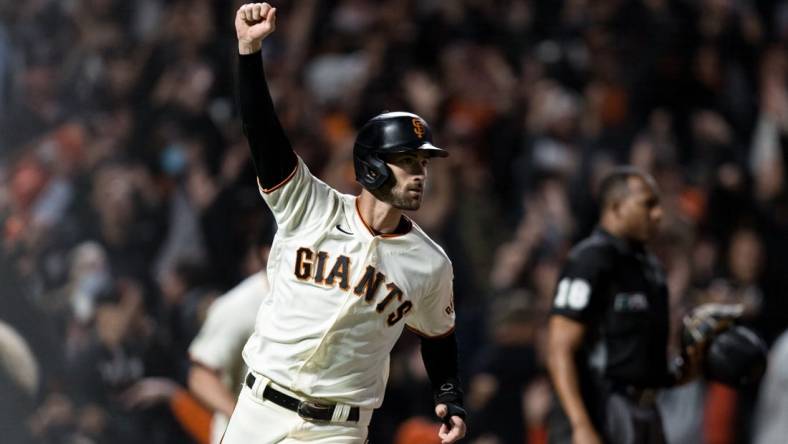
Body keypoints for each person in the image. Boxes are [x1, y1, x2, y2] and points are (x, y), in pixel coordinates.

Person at [222, 3, 466, 443]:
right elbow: (262, 133)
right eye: (407, 162)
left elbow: (439, 336)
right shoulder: (309, 206)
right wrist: (249, 51)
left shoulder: (431, 263)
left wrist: (449, 395)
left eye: (422, 165)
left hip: (337, 429)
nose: (419, 175)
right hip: (258, 411)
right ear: (372, 168)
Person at [546, 167, 685, 444]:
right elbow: (559, 348)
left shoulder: (651, 268)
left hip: (646, 411)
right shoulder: (590, 260)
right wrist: (580, 425)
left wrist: (691, 363)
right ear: (616, 208)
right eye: (647, 204)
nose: (657, 214)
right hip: (602, 408)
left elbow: (646, 363)